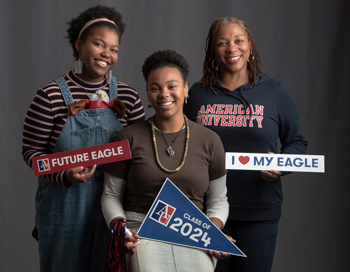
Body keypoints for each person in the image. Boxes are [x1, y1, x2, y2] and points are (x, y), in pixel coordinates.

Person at [22, 5, 145, 271]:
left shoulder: (129, 96)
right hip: (63, 210)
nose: (106, 54)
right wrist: (64, 173)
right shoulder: (50, 95)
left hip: (113, 209)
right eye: (98, 44)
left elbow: (141, 155)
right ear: (79, 43)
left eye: (114, 48)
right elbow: (32, 155)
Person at [183, 17, 308, 272]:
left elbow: (296, 142)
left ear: (249, 45)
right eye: (222, 43)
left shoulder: (274, 91)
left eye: (239, 40)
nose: (232, 48)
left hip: (259, 212)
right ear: (213, 51)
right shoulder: (197, 93)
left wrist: (280, 167)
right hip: (206, 212)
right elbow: (179, 141)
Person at [101, 50, 232, 272]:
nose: (164, 93)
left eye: (172, 86)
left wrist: (213, 230)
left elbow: (219, 199)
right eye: (155, 88)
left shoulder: (210, 140)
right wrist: (121, 230)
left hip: (192, 230)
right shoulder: (127, 137)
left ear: (185, 89)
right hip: (141, 229)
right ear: (148, 95)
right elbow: (110, 195)